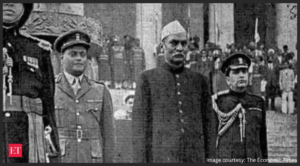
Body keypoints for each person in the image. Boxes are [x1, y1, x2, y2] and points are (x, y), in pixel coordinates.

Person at [132, 20, 217, 163]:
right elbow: (140, 131)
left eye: (184, 44)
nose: (179, 48)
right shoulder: (147, 79)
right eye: (174, 43)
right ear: (161, 47)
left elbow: (209, 128)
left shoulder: (200, 81)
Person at [3, 3, 60, 163]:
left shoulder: (36, 49)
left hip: (26, 133)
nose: (8, 4)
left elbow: (48, 104)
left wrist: (54, 148)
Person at [53, 30, 116, 163]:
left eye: (82, 54)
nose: (79, 58)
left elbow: (108, 136)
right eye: (73, 54)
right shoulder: (51, 88)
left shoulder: (100, 90)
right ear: (62, 57)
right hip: (61, 158)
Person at [212, 52, 268, 162]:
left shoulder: (258, 102)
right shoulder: (218, 103)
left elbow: (262, 140)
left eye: (244, 71)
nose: (241, 75)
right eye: (236, 72)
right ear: (227, 79)